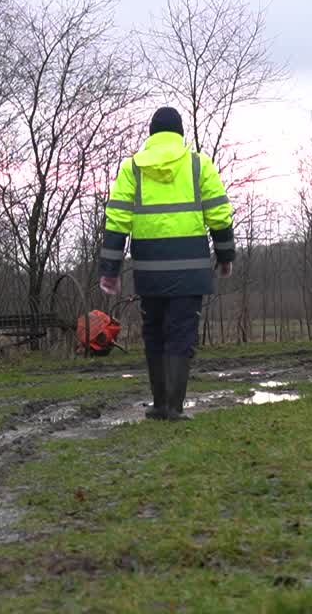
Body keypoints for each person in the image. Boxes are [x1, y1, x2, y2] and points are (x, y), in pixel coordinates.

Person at [98, 107, 236, 421]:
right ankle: (175, 406)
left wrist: (110, 270)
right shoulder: (199, 166)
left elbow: (117, 219)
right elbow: (219, 214)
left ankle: (160, 404)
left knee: (155, 333)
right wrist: (226, 257)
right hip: (190, 271)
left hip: (149, 270)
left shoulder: (132, 169)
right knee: (181, 334)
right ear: (180, 133)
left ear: (151, 134)